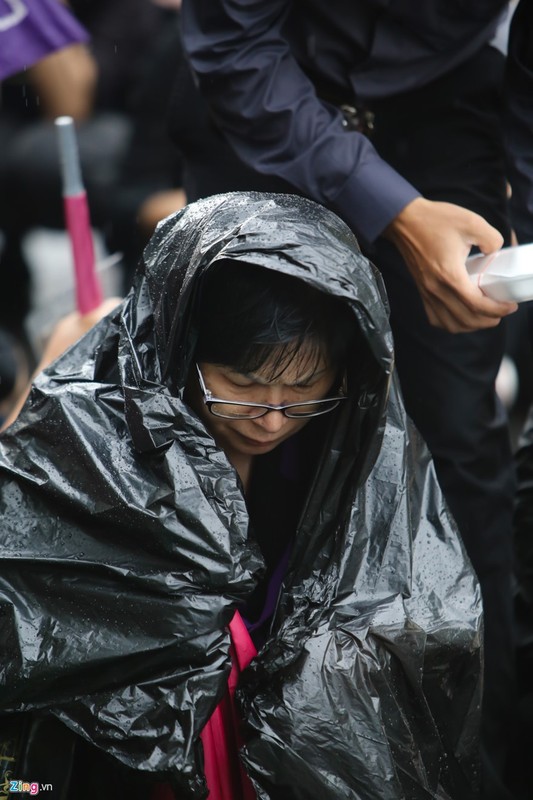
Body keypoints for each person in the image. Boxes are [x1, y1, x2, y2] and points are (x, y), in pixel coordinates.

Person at [0, 192, 483, 798]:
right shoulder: (89, 454)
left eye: (305, 388)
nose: (274, 420)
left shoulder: (346, 455)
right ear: (180, 348)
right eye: (244, 386)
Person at [177, 4, 533, 796]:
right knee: (249, 423)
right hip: (261, 113)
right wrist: (393, 212)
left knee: (453, 443)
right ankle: (230, 742)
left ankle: (478, 763)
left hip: (444, 117)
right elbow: (234, 49)